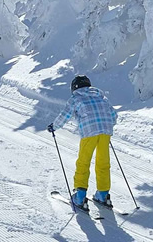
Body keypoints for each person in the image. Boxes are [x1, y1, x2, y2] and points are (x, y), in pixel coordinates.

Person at [47, 75, 117, 210]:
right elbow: (113, 115)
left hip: (89, 132)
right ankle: (103, 195)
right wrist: (105, 126)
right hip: (105, 131)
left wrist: (54, 126)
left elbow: (65, 115)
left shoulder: (75, 98)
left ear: (74, 87)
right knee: (103, 163)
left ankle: (79, 197)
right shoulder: (101, 96)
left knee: (83, 162)